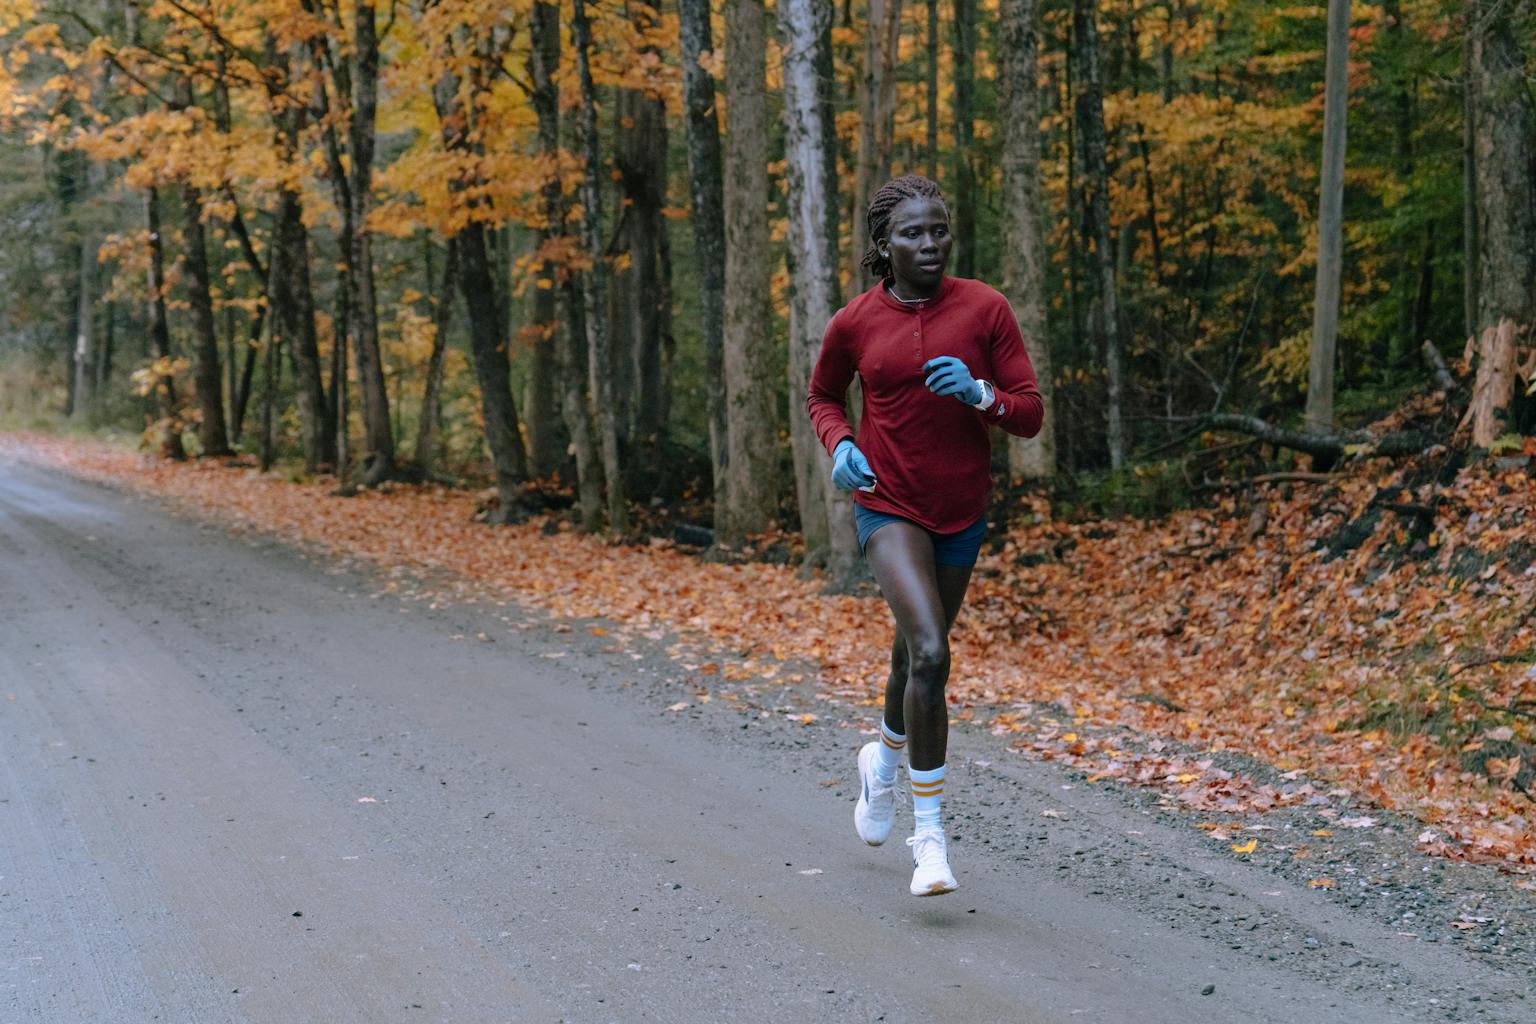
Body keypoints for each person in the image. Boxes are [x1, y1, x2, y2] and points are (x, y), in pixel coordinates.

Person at [806, 175, 1044, 896]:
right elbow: (823, 395)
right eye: (913, 233)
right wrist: (841, 444)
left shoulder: (985, 308)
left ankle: (880, 764)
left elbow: (1029, 412)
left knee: (913, 655)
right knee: (933, 653)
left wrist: (979, 393)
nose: (931, 243)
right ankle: (930, 839)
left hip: (961, 511)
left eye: (939, 229)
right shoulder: (855, 322)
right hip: (888, 505)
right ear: (885, 245)